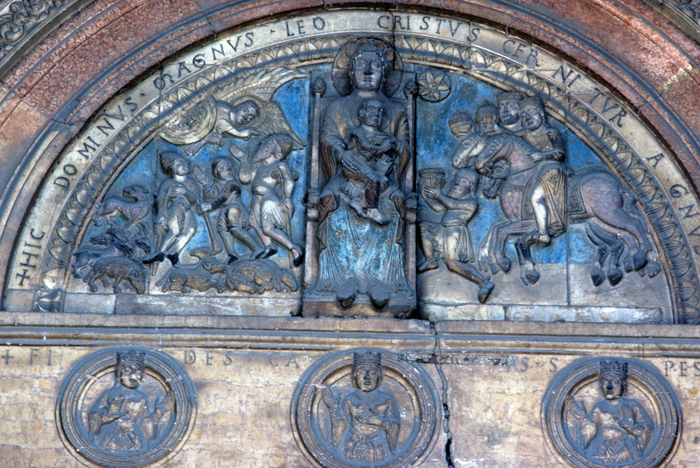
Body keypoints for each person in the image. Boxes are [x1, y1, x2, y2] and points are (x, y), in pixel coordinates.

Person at [317, 42, 411, 310]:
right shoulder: (338, 106)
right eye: (361, 64)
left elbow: (404, 147)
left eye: (377, 65)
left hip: (381, 177)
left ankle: (379, 279)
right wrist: (338, 151)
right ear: (350, 71)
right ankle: (343, 278)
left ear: (385, 73)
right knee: (333, 205)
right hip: (346, 175)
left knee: (392, 205)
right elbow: (329, 138)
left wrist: (392, 148)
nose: (368, 70)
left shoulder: (395, 110)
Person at [419, 168, 495, 303]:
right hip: (442, 229)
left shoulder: (472, 202)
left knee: (452, 264)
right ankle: (430, 260)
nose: (456, 183)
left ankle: (483, 282)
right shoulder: (452, 199)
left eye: (463, 181)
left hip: (454, 232)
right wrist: (426, 197)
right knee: (424, 226)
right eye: (456, 179)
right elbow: (439, 208)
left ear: (471, 187)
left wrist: (439, 195)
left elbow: (452, 204)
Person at [565, 360, 654, 464]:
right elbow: (591, 429)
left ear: (623, 385)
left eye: (616, 382)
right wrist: (582, 417)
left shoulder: (632, 406)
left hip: (625, 451)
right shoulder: (598, 407)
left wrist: (630, 428)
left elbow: (648, 428)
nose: (609, 386)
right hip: (601, 451)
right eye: (605, 382)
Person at [321, 351, 400, 463]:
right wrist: (333, 407)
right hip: (352, 446)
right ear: (354, 378)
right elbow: (341, 426)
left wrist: (381, 423)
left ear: (379, 378)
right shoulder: (350, 399)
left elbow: (395, 424)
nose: (366, 377)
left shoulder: (387, 399)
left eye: (373, 373)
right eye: (361, 372)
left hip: (378, 447)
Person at [87, 351, 174, 453]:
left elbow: (145, 421)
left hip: (134, 438)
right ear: (119, 374)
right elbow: (94, 414)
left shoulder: (142, 397)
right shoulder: (110, 393)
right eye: (127, 371)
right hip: (110, 436)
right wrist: (108, 416)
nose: (133, 375)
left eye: (137, 372)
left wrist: (159, 411)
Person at [239, 133, 304, 266]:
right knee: (252, 221)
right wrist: (244, 162)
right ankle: (269, 246)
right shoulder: (259, 166)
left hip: (269, 198)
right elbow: (245, 179)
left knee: (267, 228)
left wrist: (287, 198)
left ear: (278, 152)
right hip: (257, 197)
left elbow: (289, 181)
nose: (263, 145)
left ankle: (294, 248)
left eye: (269, 145)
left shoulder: (280, 166)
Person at [342, 98, 401, 225]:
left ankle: (358, 202)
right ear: (362, 112)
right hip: (354, 165)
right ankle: (372, 210)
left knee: (383, 181)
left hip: (371, 169)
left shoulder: (384, 137)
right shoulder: (357, 132)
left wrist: (385, 162)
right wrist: (381, 148)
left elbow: (393, 156)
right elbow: (364, 148)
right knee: (374, 179)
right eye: (373, 110)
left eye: (380, 112)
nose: (377, 115)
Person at [196, 156, 263, 264]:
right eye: (223, 167)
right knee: (221, 229)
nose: (228, 169)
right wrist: (205, 184)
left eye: (230, 167)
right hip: (224, 210)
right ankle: (232, 254)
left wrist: (210, 206)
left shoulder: (233, 183)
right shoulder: (217, 185)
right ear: (215, 172)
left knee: (234, 228)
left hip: (235, 208)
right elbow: (210, 197)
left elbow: (224, 196)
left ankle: (257, 248)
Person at [519, 96, 567, 244]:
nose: (528, 117)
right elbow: (511, 139)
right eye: (524, 115)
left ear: (541, 114)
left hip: (552, 169)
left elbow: (560, 153)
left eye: (532, 113)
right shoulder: (525, 135)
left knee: (535, 197)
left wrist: (542, 156)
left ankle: (543, 233)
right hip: (539, 171)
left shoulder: (550, 132)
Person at [145, 151, 202, 266]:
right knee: (175, 230)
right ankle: (160, 252)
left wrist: (186, 192)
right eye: (181, 163)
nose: (186, 164)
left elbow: (196, 200)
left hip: (187, 210)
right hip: (175, 209)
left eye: (185, 162)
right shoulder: (168, 183)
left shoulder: (191, 183)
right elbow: (160, 198)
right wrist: (161, 213)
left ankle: (174, 252)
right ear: (173, 168)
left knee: (191, 231)